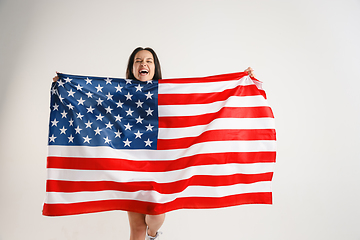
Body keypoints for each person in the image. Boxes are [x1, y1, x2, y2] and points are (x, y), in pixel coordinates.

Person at [52, 47, 255, 240]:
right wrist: (66, 87)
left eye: (148, 60)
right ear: (132, 67)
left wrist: (239, 79)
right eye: (138, 61)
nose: (143, 64)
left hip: (160, 165)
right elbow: (94, 104)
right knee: (137, 227)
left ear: (154, 67)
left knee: (156, 215)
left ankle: (153, 235)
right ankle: (148, 236)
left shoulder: (167, 91)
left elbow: (198, 98)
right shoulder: (119, 91)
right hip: (129, 163)